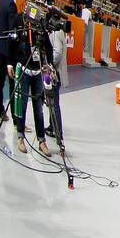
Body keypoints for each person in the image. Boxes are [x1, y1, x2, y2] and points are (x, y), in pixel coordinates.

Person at [11, 13, 54, 157]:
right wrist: (10, 64)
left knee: (38, 109)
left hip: (38, 73)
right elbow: (12, 44)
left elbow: (48, 47)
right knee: (21, 105)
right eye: (32, 1)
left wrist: (49, 65)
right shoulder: (20, 21)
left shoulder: (41, 28)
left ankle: (42, 141)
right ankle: (20, 137)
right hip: (23, 70)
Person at [0, 0, 19, 122]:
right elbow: (11, 31)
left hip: (0, 47)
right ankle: (16, 118)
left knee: (0, 80)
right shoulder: (10, 2)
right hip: (8, 51)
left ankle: (0, 110)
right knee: (12, 84)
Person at [44, 18, 70, 148]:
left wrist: (48, 64)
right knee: (50, 101)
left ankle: (58, 132)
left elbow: (57, 53)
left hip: (55, 74)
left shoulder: (57, 32)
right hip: (52, 73)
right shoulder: (53, 32)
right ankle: (51, 126)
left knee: (54, 104)